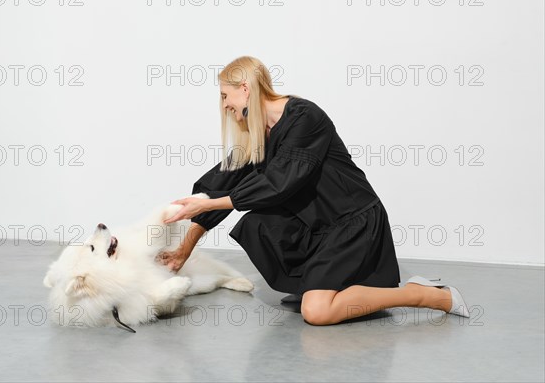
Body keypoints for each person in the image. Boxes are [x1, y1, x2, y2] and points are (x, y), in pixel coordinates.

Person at [157, 56, 470, 326]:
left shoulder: (305, 117)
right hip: (316, 225)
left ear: (245, 89)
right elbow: (222, 185)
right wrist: (186, 247)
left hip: (352, 222)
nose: (224, 105)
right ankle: (316, 283)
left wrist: (209, 204)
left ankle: (428, 295)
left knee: (317, 312)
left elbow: (280, 183)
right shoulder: (258, 134)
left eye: (226, 96)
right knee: (257, 223)